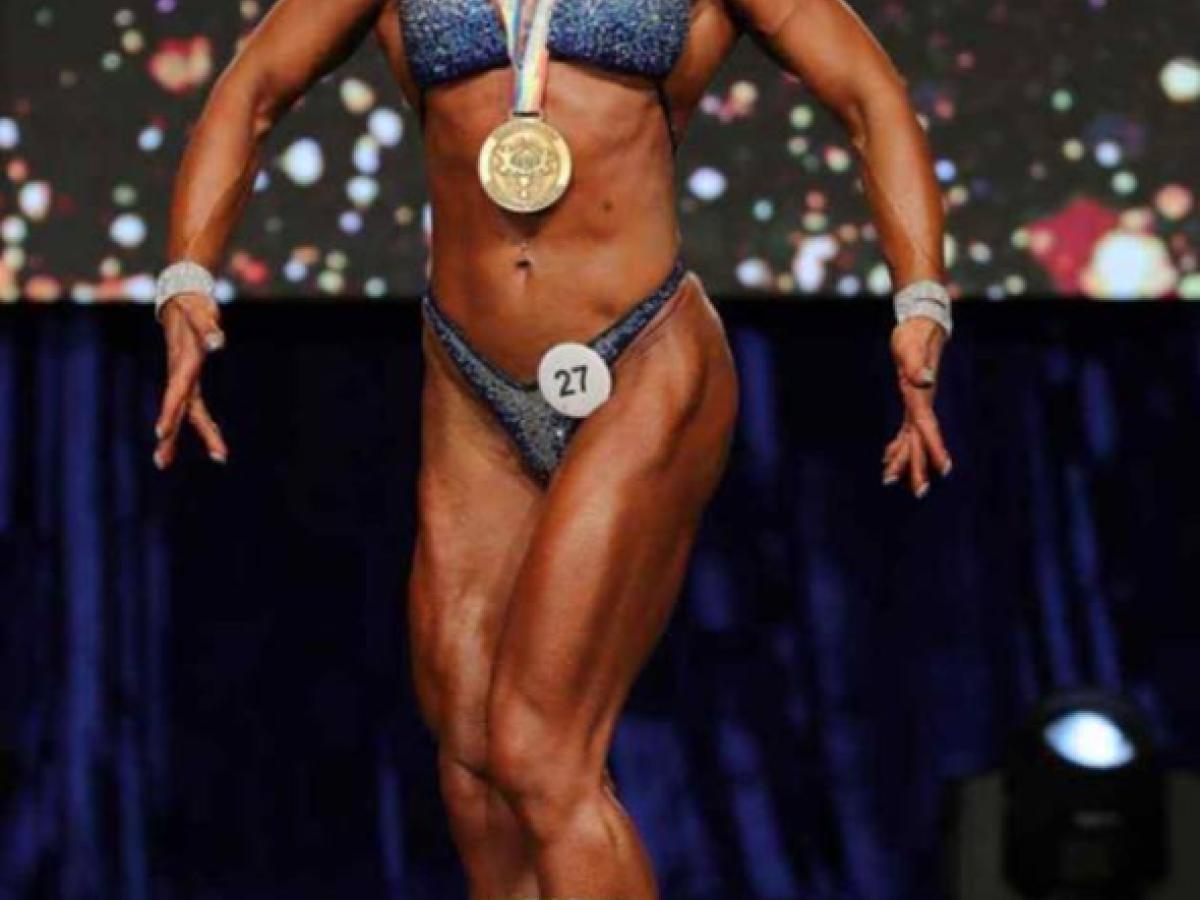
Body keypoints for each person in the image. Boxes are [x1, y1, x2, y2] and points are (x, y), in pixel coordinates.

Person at [152, 0, 954, 896]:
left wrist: (921, 300)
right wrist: (186, 279)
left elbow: (868, 92)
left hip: (641, 356)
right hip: (472, 381)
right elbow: (254, 85)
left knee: (540, 751)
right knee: (472, 765)